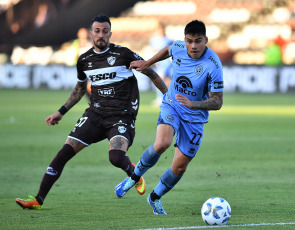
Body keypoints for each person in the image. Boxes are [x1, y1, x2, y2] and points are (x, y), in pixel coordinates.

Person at [16, 15, 168, 209]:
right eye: (97, 31)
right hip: (95, 115)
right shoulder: (84, 60)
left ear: (110, 34)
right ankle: (38, 200)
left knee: (115, 158)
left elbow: (151, 72)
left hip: (121, 116)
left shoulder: (123, 55)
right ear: (91, 34)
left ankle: (135, 174)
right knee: (63, 154)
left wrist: (167, 96)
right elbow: (80, 88)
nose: (101, 35)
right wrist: (61, 111)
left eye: (105, 31)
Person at [115, 20, 224, 215]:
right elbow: (168, 49)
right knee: (162, 143)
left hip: (195, 117)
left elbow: (217, 102)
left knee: (180, 167)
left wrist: (194, 104)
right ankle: (133, 177)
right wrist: (147, 63)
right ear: (184, 40)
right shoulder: (179, 47)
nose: (193, 46)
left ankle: (155, 197)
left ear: (206, 40)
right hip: (172, 104)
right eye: (189, 41)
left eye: (198, 41)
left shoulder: (213, 64)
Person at [149, 23, 173, 106]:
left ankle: (165, 98)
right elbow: (153, 50)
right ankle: (161, 98)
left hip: (168, 63)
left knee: (167, 81)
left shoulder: (169, 40)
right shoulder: (153, 40)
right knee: (160, 79)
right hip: (160, 63)